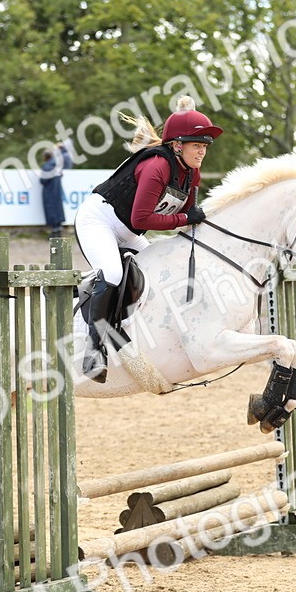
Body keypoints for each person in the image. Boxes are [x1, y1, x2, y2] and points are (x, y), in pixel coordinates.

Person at [73, 96, 221, 382]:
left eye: (204, 146)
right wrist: (186, 219)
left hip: (128, 230)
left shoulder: (191, 172)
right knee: (114, 273)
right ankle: (94, 349)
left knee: (157, 272)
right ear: (177, 145)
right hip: (99, 220)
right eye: (197, 145)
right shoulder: (158, 166)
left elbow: (191, 213)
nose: (202, 152)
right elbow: (144, 219)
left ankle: (133, 334)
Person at [39, 146, 66, 238]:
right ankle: (58, 230)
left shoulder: (47, 166)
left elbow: (43, 180)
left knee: (51, 210)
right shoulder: (57, 166)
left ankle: (54, 233)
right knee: (57, 210)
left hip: (49, 192)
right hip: (57, 191)